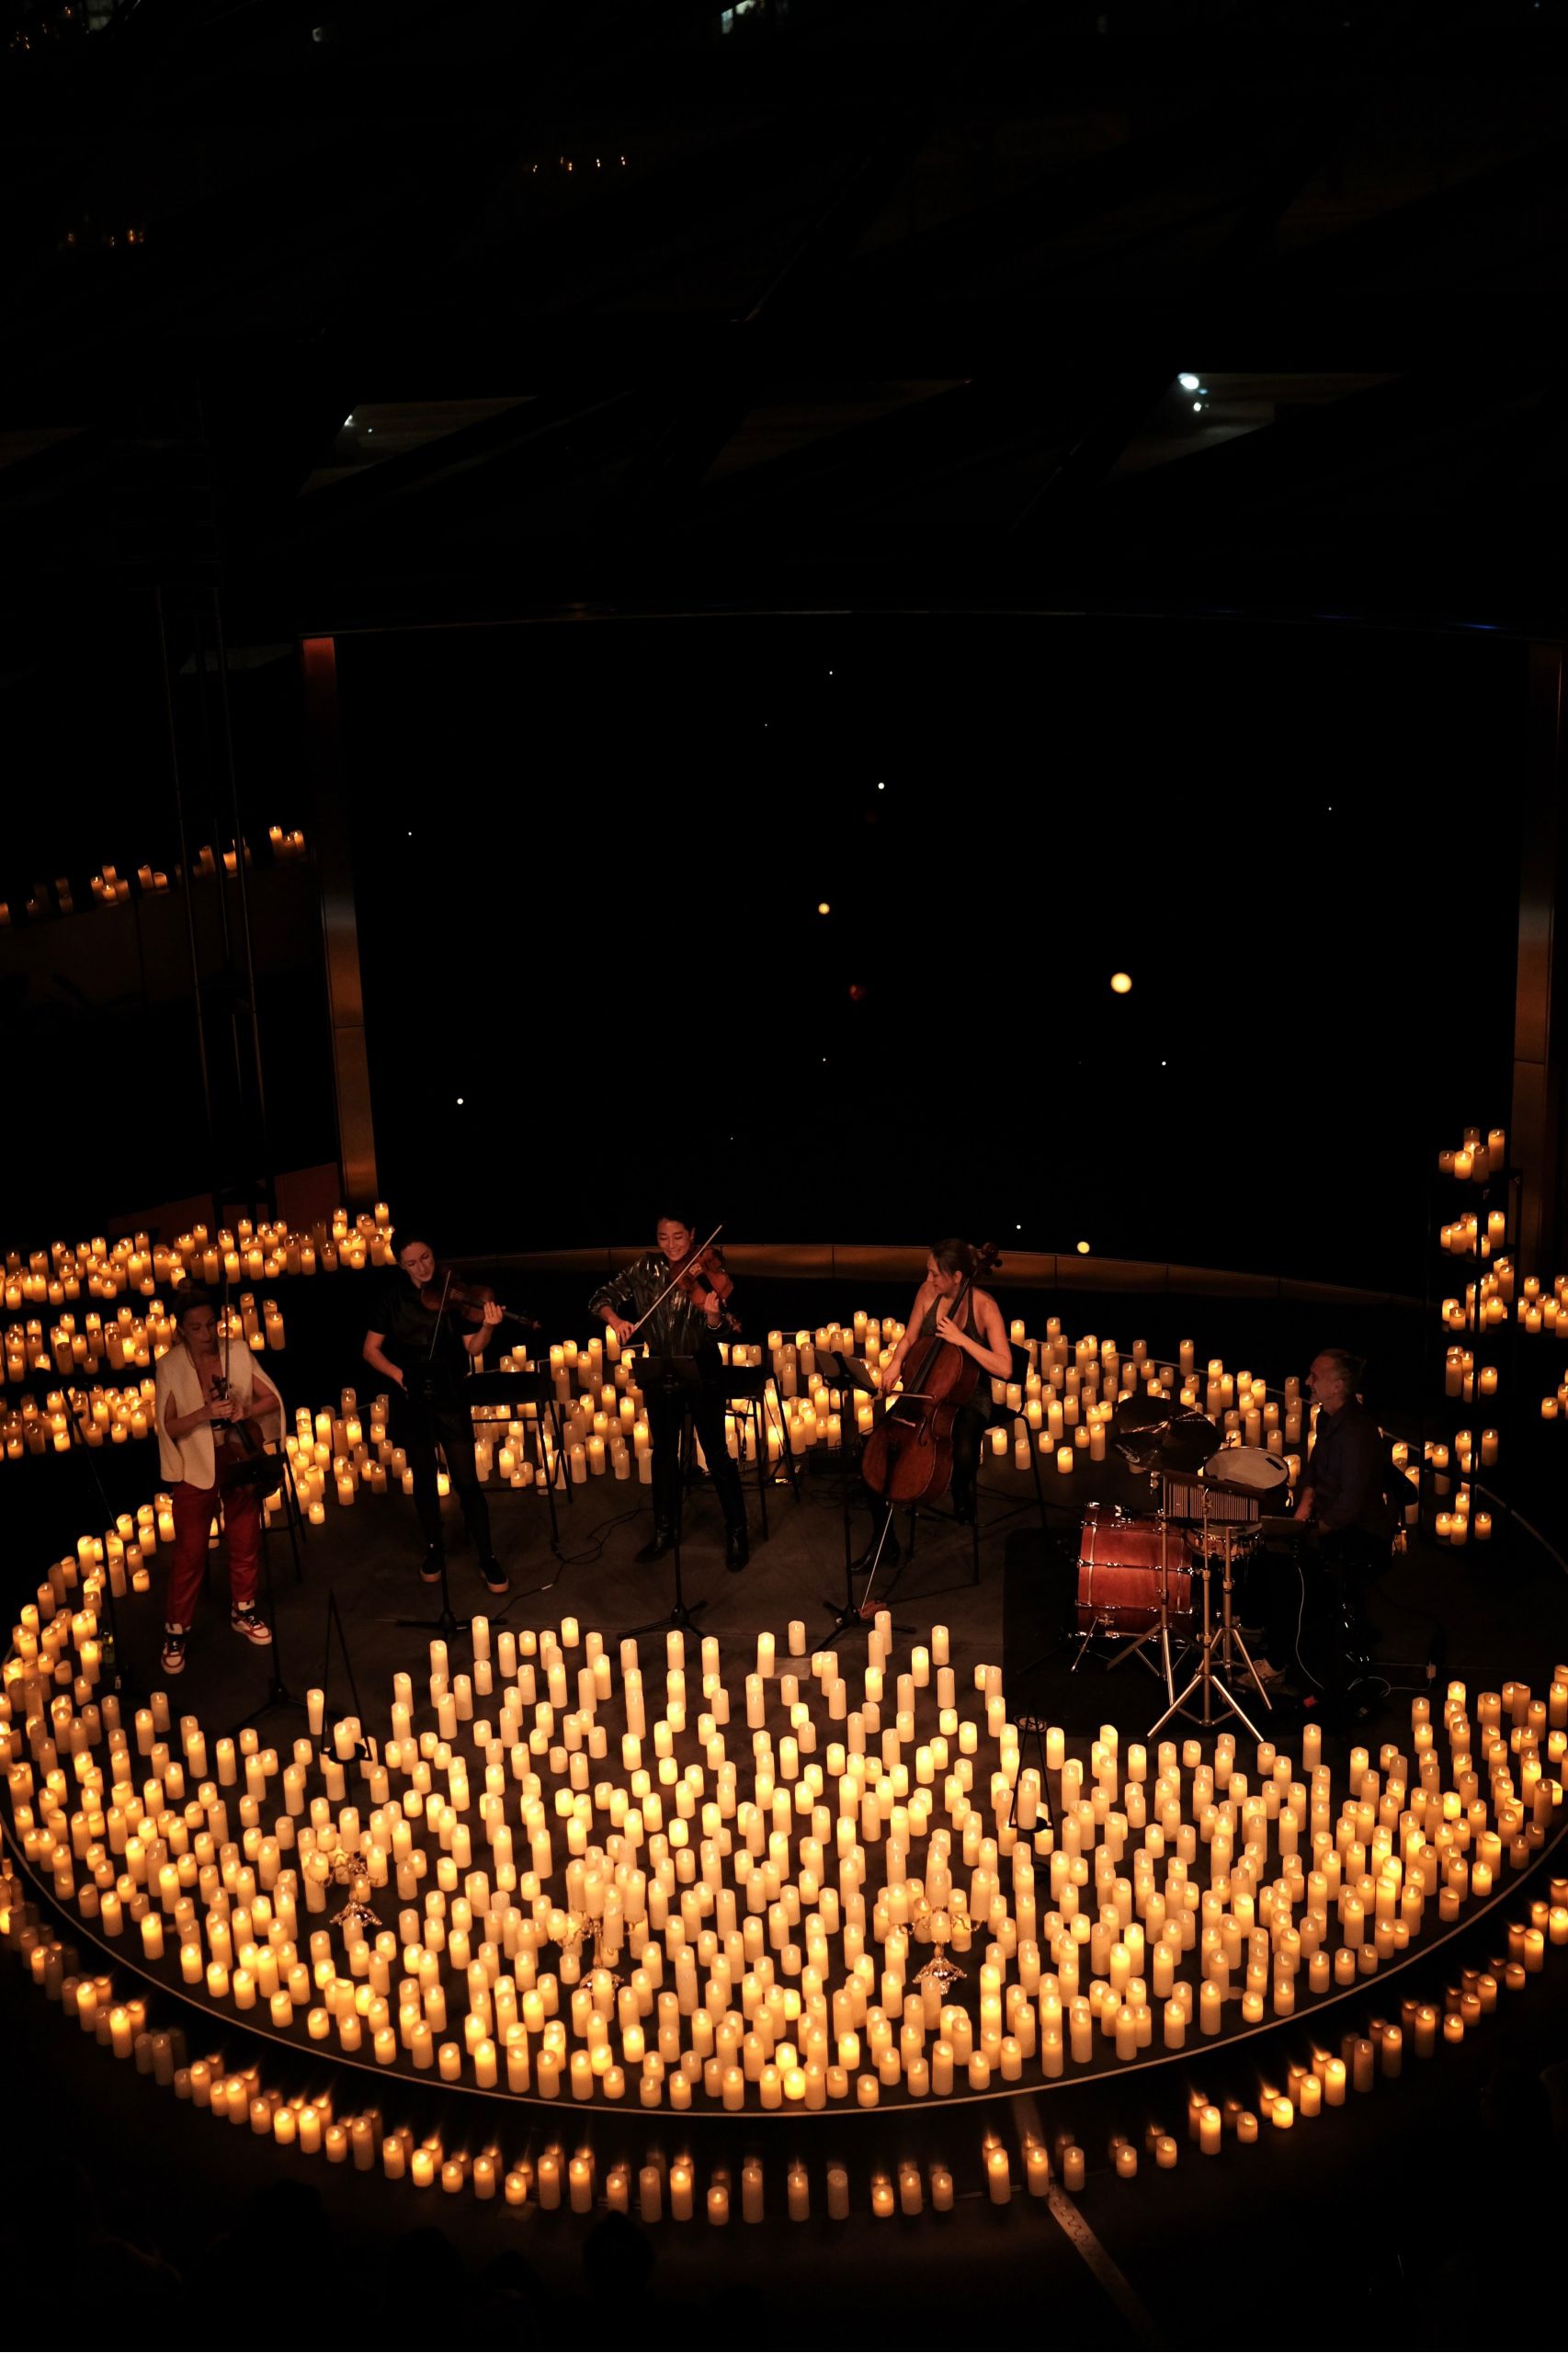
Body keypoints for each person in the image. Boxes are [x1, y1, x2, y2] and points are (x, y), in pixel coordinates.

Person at [590, 1218, 750, 1571]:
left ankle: (738, 1532)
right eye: (664, 1237)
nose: (672, 1245)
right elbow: (600, 1298)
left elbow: (719, 1333)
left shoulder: (706, 1266)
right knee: (663, 1453)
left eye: (679, 1237)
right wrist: (616, 1321)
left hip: (702, 1367)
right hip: (660, 1366)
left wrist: (711, 1318)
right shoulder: (644, 1267)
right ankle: (665, 1531)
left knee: (716, 1452)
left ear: (693, 1235)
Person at [362, 1233, 509, 1597]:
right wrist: (400, 1376)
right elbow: (370, 1350)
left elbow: (473, 1347)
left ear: (433, 1253)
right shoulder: (392, 1299)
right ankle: (433, 1549)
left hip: (450, 1394)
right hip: (412, 1396)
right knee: (424, 1479)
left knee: (466, 1482)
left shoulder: (452, 1292)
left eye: (426, 1258)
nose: (422, 1268)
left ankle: (487, 1555)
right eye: (412, 1263)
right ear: (401, 1265)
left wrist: (488, 1327)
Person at [1252, 1347, 1394, 1705]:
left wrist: (1310, 1534)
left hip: (1359, 1533)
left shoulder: (1358, 1434)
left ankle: (1280, 1661)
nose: (1307, 1381)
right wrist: (1300, 1514)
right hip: (1326, 1519)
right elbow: (1314, 1474)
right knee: (1265, 1542)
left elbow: (1349, 1506)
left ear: (1337, 1386)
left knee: (1293, 1570)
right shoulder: (1326, 1419)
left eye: (1315, 1376)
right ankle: (1265, 1630)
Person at [858, 1238, 1011, 1567]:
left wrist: (961, 1340)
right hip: (922, 1387)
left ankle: (959, 1487)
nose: (929, 1280)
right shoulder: (927, 1294)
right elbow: (911, 1337)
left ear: (957, 1276)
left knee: (965, 1450)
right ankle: (884, 1542)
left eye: (935, 1275)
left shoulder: (984, 1307)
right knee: (875, 1448)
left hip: (968, 1396)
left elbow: (1005, 1366)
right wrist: (897, 1362)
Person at [154, 1287, 283, 1676]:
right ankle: (176, 1629)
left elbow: (272, 1399)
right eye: (197, 1328)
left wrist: (244, 1409)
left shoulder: (238, 1351)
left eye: (211, 1324)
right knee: (191, 1550)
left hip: (237, 1452)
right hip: (196, 1462)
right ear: (182, 1331)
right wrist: (204, 1414)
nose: (208, 1335)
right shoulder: (170, 1366)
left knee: (245, 1535)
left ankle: (243, 1610)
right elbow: (168, 1424)